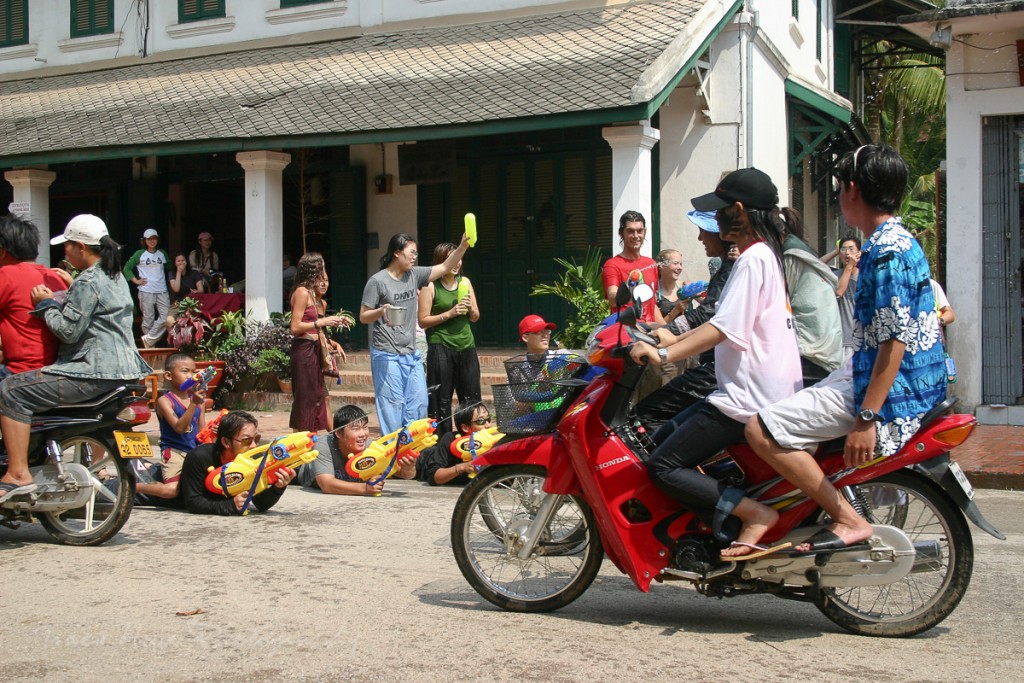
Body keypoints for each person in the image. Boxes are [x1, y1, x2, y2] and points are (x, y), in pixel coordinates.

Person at [744, 144, 947, 554]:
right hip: (897, 377)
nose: (838, 197)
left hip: (889, 390)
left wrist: (867, 418)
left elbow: (894, 343)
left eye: (839, 188)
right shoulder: (896, 241)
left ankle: (846, 518)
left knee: (759, 428)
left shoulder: (886, 252)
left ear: (852, 190)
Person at [629, 168, 802, 559]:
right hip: (744, 391)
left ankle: (754, 513)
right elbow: (721, 320)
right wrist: (673, 337)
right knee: (661, 434)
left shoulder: (753, 260)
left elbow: (724, 327)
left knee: (663, 465)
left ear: (738, 211)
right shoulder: (763, 255)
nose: (713, 221)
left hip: (747, 399)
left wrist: (664, 354)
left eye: (720, 211)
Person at [0, 214, 153, 495]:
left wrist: (46, 303)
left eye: (68, 246)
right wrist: (71, 286)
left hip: (92, 372)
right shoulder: (114, 276)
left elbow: (68, 331)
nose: (65, 251)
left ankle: (18, 473)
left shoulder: (88, 281)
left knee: (11, 389)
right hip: (127, 373)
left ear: (81, 247)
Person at [632, 210, 736, 436]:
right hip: (716, 363)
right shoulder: (730, 266)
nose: (700, 239)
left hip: (716, 369)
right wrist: (665, 332)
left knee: (647, 414)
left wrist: (665, 335)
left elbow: (709, 315)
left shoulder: (734, 267)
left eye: (704, 232)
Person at [360, 232, 470, 436]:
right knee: (393, 406)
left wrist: (463, 246)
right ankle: (394, 451)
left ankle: (411, 452)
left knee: (419, 402)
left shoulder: (414, 275)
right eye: (411, 252)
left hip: (410, 353)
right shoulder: (377, 281)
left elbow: (445, 267)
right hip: (386, 354)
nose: (414, 257)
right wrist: (382, 311)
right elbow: (364, 316)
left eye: (416, 253)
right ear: (396, 253)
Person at [176, 410, 293, 515]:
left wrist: (278, 487)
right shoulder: (199, 457)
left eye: (256, 439)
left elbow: (260, 504)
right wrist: (230, 505)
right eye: (246, 440)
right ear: (226, 442)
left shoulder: (251, 460)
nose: (253, 446)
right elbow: (193, 502)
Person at [418, 242, 481, 435]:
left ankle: (471, 440)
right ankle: (442, 443)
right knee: (441, 400)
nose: (457, 263)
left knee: (471, 398)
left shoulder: (465, 282)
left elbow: (475, 316)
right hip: (441, 347)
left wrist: (470, 308)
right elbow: (423, 321)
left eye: (459, 258)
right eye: (451, 258)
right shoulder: (430, 286)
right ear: (440, 261)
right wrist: (450, 313)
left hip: (466, 346)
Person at [0, 214, 69, 380]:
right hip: (57, 369)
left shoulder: (7, 275)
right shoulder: (56, 277)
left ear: (2, 253)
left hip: (22, 373)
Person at [779, 207, 843, 384]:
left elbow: (777, 301)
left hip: (810, 351)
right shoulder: (801, 250)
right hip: (826, 348)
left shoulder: (790, 254)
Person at [289, 253, 349, 432]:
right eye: (320, 267)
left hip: (314, 350)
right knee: (306, 399)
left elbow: (318, 328)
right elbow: (295, 326)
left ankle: (314, 436)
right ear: (313, 269)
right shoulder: (301, 292)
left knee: (318, 397)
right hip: (304, 350)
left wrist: (332, 336)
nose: (323, 270)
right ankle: (302, 440)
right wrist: (321, 322)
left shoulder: (314, 297)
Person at [135, 353, 207, 503]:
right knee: (172, 490)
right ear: (168, 375)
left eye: (193, 372)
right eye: (184, 371)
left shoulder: (200, 401)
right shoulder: (165, 401)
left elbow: (202, 432)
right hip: (174, 452)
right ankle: (133, 486)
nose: (191, 376)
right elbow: (179, 428)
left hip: (193, 453)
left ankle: (152, 469)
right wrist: (194, 404)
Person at [299, 405, 415, 495]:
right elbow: (327, 484)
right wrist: (365, 489)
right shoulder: (324, 445)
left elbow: (405, 475)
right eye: (355, 429)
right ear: (338, 433)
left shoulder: (371, 447)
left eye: (365, 427)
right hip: (300, 471)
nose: (363, 434)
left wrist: (408, 468)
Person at [601, 210, 665, 324]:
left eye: (639, 231)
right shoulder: (612, 265)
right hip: (627, 331)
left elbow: (651, 304)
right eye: (630, 231)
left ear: (644, 232)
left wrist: (666, 328)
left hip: (650, 332)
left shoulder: (651, 264)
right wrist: (631, 292)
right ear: (621, 233)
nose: (636, 236)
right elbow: (612, 298)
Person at [415, 403, 491, 486]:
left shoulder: (491, 441)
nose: (488, 425)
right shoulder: (451, 439)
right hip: (421, 460)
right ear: (465, 427)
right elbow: (433, 477)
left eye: (488, 419)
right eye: (481, 421)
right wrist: (463, 467)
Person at [123, 228, 171, 348]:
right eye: (149, 239)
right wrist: (136, 281)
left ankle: (148, 340)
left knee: (166, 317)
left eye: (154, 238)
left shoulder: (162, 253)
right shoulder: (140, 254)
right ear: (144, 240)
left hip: (162, 289)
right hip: (146, 289)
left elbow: (170, 266)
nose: (152, 241)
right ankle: (150, 348)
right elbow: (126, 268)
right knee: (148, 319)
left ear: (157, 240)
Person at [827, 234, 861, 352]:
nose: (847, 253)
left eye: (851, 249)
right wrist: (835, 252)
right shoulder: (835, 276)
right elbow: (839, 291)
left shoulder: (866, 276)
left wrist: (851, 266)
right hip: (841, 340)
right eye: (843, 249)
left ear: (859, 253)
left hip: (861, 339)